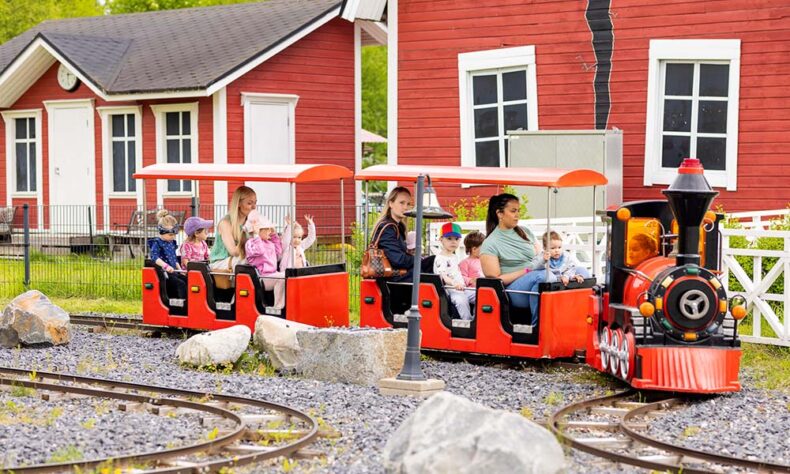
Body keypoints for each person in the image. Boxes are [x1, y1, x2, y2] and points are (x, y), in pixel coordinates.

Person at [479, 193, 542, 310]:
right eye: (513, 211)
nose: (517, 215)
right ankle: (538, 325)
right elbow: (496, 281)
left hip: (535, 280)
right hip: (512, 291)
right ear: (500, 214)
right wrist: (527, 270)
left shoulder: (525, 231)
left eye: (518, 211)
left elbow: (540, 256)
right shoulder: (490, 244)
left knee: (580, 272)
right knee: (541, 276)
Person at [525, 231, 591, 324]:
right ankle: (536, 322)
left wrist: (568, 276)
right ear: (545, 248)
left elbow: (571, 267)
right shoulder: (542, 257)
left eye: (559, 247)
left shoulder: (566, 257)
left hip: (563, 283)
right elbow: (534, 267)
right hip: (549, 285)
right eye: (553, 248)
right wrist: (543, 260)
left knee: (582, 271)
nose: (557, 250)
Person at [370, 186, 415, 282]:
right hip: (390, 278)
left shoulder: (398, 226)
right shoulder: (387, 228)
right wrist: (418, 259)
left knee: (431, 263)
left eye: (408, 204)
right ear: (391, 203)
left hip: (398, 274)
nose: (405, 207)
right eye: (401, 203)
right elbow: (398, 259)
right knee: (429, 265)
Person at [243, 210, 285, 311]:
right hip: (261, 278)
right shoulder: (251, 243)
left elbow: (278, 251)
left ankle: (285, 305)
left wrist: (274, 235)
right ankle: (278, 307)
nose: (270, 231)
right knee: (282, 277)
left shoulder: (269, 243)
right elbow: (259, 251)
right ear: (258, 230)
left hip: (272, 275)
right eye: (267, 229)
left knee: (286, 275)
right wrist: (256, 236)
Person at [209, 186, 257, 272]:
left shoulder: (250, 222)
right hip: (221, 262)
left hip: (238, 261)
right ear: (238, 204)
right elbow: (234, 252)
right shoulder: (225, 223)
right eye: (250, 203)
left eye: (255, 203)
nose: (254, 207)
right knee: (249, 260)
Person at [434, 222, 475, 321]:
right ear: (441, 240)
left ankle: (477, 318)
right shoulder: (440, 258)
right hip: (451, 291)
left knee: (481, 294)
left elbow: (457, 273)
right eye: (449, 239)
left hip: (462, 289)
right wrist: (454, 283)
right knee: (462, 301)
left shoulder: (454, 257)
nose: (453, 242)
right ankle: (468, 321)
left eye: (456, 239)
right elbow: (443, 276)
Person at [149, 209, 186, 299]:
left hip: (174, 271)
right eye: (170, 235)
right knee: (180, 284)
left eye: (174, 235)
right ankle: (180, 304)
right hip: (164, 273)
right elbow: (155, 257)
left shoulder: (171, 243)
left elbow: (174, 258)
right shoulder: (157, 243)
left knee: (187, 280)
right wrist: (166, 266)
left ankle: (189, 304)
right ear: (161, 232)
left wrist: (180, 270)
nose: (173, 237)